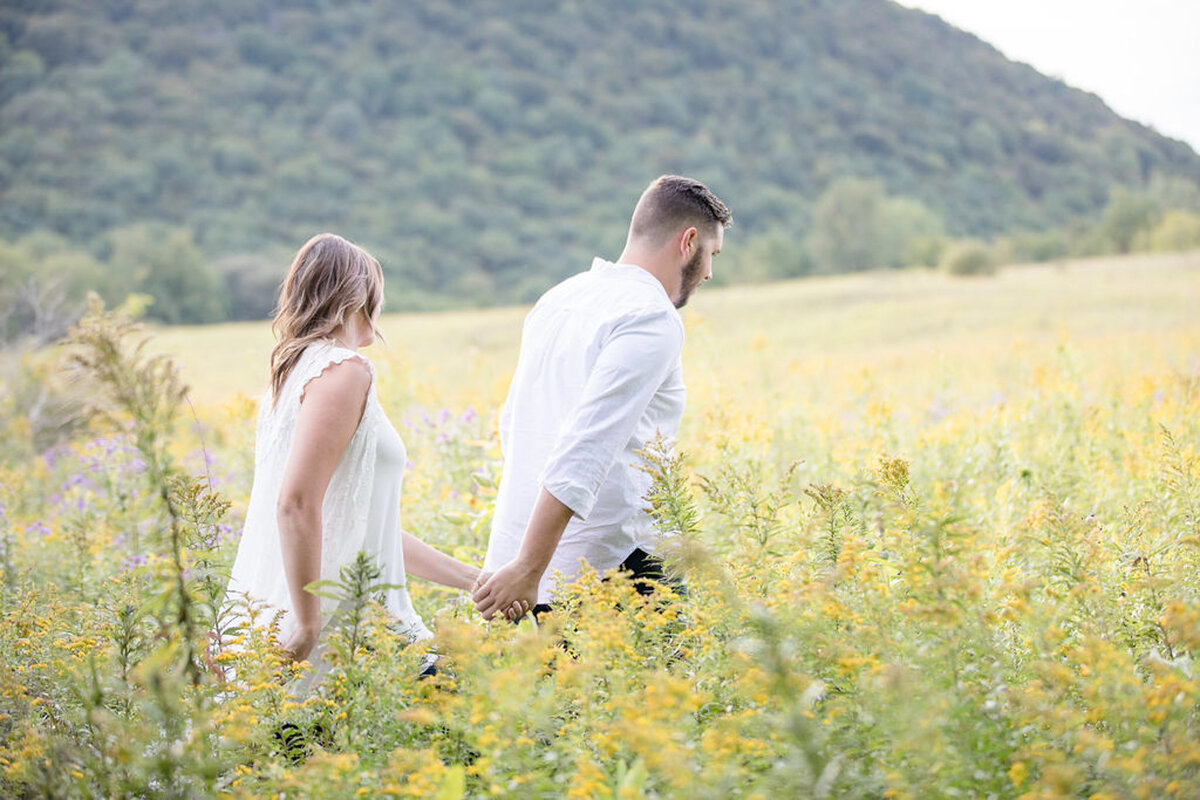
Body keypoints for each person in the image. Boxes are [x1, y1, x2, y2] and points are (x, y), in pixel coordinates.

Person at [226, 233, 526, 680]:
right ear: (357, 298)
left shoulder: (293, 379)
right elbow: (295, 504)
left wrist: (473, 580)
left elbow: (361, 527)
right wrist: (308, 624)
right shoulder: (343, 372)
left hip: (363, 625)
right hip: (348, 630)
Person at [472, 175, 731, 621]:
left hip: (551, 569)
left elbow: (516, 427)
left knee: (577, 691)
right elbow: (586, 444)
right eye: (712, 255)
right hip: (618, 562)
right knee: (689, 685)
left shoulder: (559, 298)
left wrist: (524, 561)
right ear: (688, 242)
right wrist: (528, 567)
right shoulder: (651, 317)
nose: (709, 273)